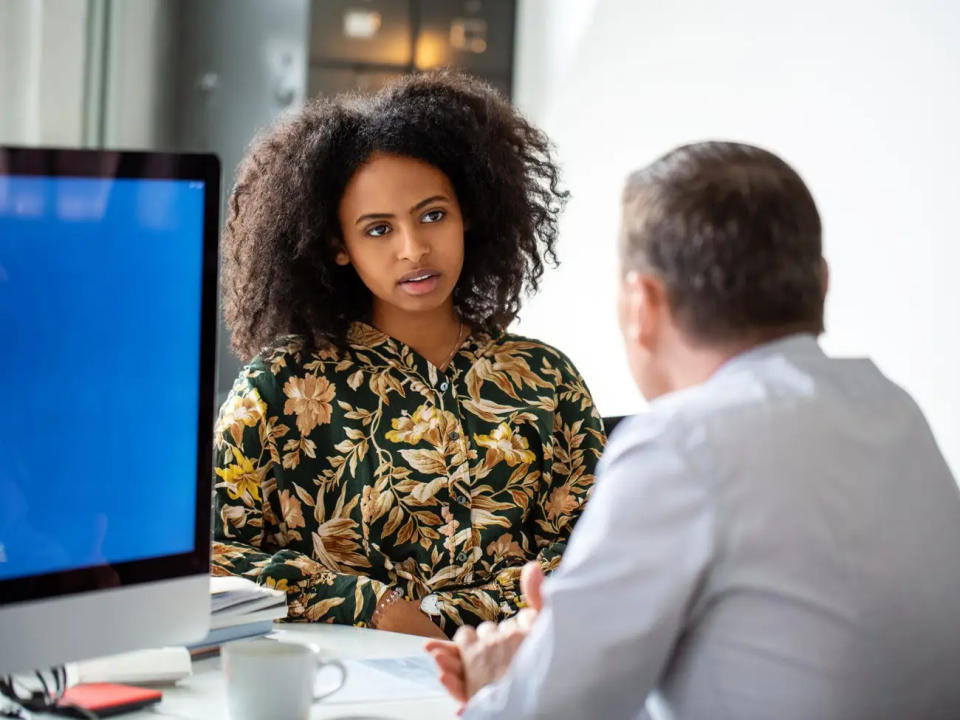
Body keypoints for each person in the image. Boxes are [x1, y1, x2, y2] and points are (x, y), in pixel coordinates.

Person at [428, 141, 960, 718]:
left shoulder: (682, 446)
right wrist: (567, 646)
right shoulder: (893, 409)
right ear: (822, 284)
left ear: (643, 304)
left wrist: (495, 684)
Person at [210, 70, 605, 639]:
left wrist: (483, 627)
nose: (414, 248)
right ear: (338, 247)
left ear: (468, 212)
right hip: (350, 690)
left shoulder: (545, 377)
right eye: (377, 230)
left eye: (432, 215)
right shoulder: (281, 385)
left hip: (515, 682)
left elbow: (598, 547)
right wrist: (371, 605)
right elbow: (216, 553)